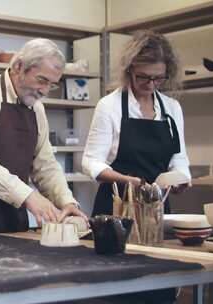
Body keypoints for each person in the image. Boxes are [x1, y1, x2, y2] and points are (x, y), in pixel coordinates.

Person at [0, 38, 88, 234]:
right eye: (42, 80)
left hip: (12, 208)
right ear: (20, 67)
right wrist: (29, 196)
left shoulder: (37, 109)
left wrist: (66, 200)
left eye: (52, 85)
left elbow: (45, 164)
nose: (45, 91)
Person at [82, 29, 191, 216]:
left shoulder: (172, 108)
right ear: (129, 69)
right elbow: (91, 162)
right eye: (143, 76)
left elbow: (178, 159)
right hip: (115, 207)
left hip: (156, 207)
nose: (150, 84)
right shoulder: (109, 105)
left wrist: (180, 179)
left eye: (158, 78)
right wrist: (127, 180)